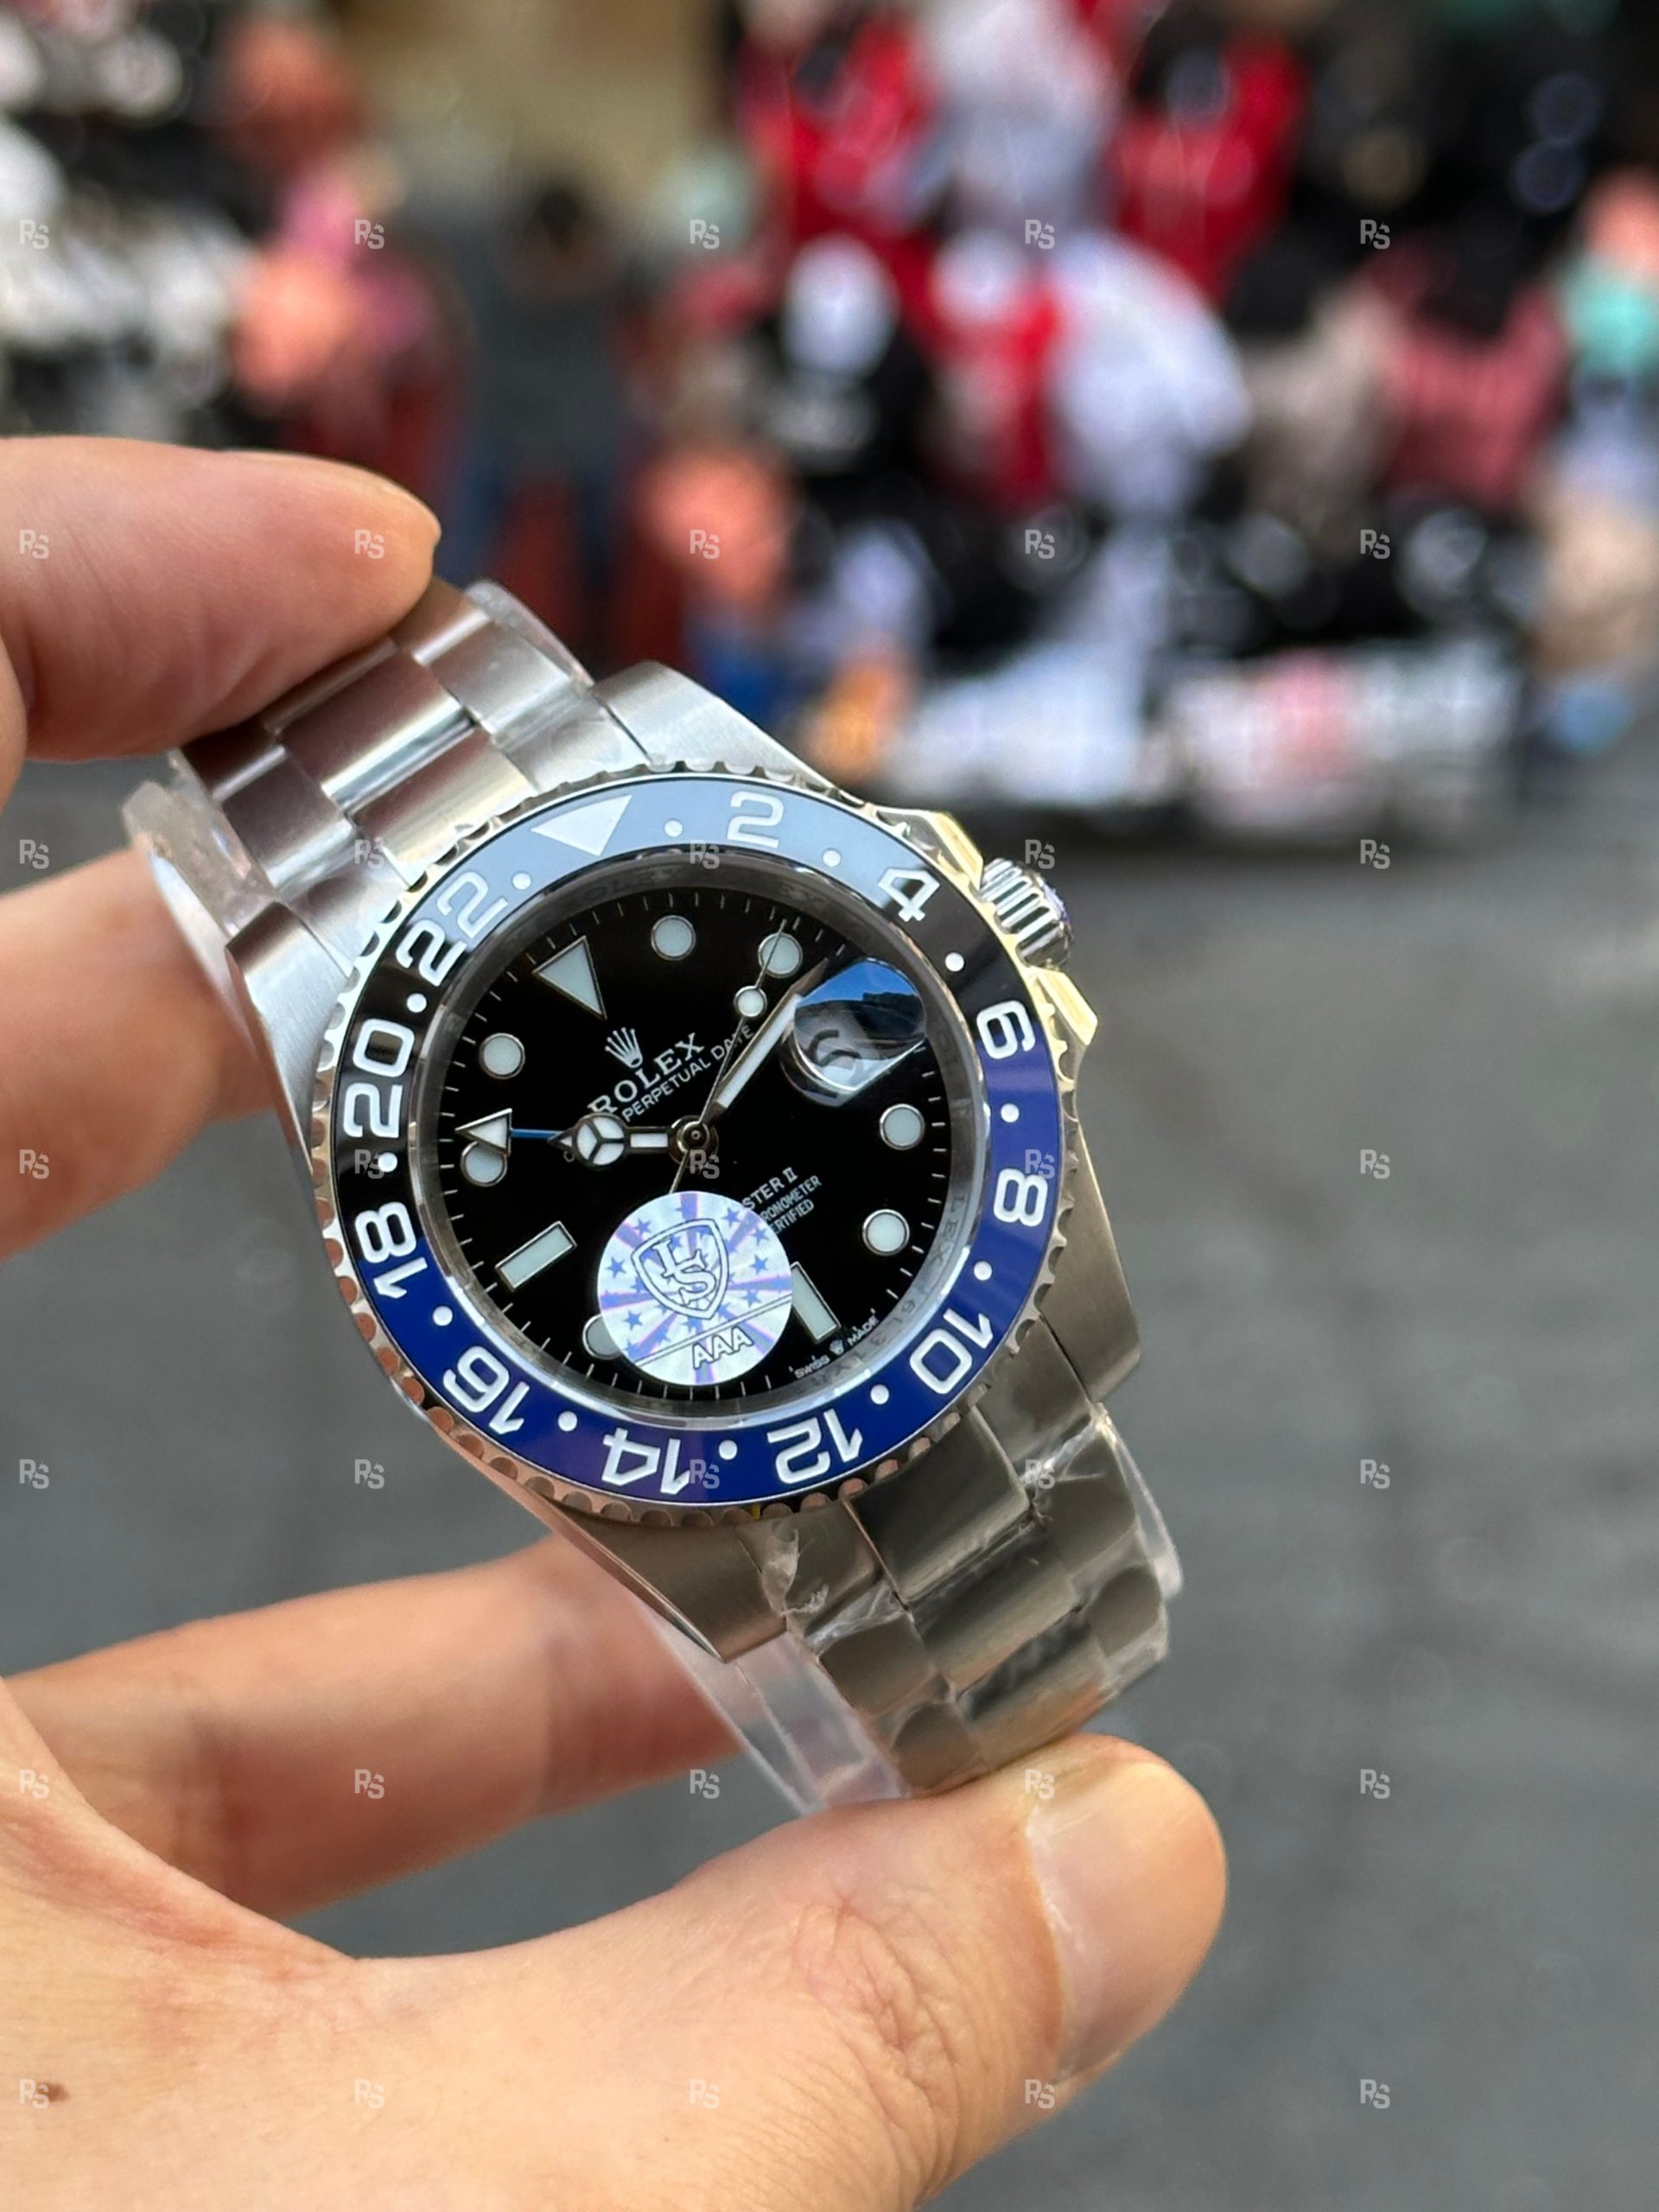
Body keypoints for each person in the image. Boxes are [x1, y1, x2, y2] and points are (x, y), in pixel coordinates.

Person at [0, 437, 1224, 2209]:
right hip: (726, 1384)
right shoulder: (390, 1060)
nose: (689, 1149)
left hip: (875, 1314)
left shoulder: (679, 774)